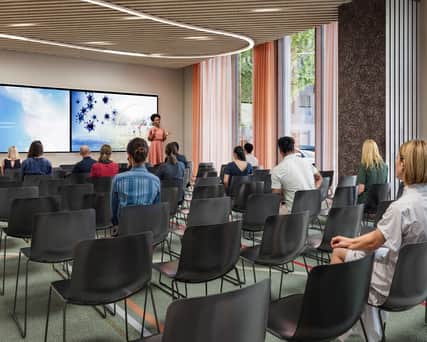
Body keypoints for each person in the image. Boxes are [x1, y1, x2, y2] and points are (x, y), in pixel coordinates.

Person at [331, 140, 427, 341]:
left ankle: (340, 321)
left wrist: (348, 242)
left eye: (398, 157)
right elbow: (381, 240)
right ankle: (366, 321)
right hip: (418, 279)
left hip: (393, 283)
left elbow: (374, 241)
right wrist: (355, 242)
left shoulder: (401, 208)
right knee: (369, 251)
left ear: (404, 164)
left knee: (340, 252)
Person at [111, 138, 160, 226]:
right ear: (146, 156)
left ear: (129, 156)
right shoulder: (155, 180)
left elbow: (114, 210)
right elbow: (155, 209)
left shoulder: (118, 179)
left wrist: (116, 225)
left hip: (125, 230)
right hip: (147, 231)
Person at [271, 136, 322, 211]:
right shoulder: (306, 162)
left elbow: (275, 197)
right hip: (314, 209)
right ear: (293, 149)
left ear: (280, 151)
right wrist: (313, 189)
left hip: (295, 215)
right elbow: (319, 178)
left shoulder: (277, 170)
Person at [357, 139, 388, 204]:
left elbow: (360, 189)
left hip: (366, 203)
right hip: (380, 203)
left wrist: (350, 194)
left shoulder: (364, 166)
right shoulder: (385, 167)